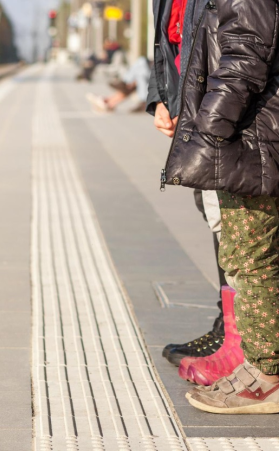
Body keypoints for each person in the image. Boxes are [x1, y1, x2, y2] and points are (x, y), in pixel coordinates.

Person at [152, 0, 279, 414]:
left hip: (248, 131)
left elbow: (245, 53)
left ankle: (266, 375)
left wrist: (208, 128)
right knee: (243, 251)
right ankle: (256, 362)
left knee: (251, 253)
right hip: (243, 128)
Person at [147, 0, 230, 373]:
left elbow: (244, 46)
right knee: (213, 210)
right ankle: (232, 329)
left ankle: (244, 338)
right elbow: (167, 41)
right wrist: (163, 97)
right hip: (198, 113)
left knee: (239, 221)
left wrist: (207, 118)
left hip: (227, 114)